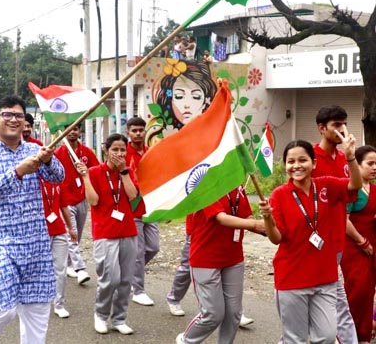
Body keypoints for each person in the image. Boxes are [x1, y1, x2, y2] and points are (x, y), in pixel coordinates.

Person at [0, 95, 64, 343]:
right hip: (1, 242)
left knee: (38, 312)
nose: (13, 119)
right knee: (2, 308)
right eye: (6, 114)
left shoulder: (34, 150)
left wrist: (49, 160)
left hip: (36, 244)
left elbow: (58, 177)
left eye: (18, 115)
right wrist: (18, 172)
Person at [259, 136, 361, 344]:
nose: (296, 166)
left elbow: (355, 184)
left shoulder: (326, 186)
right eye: (291, 161)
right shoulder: (279, 195)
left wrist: (350, 158)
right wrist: (268, 218)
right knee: (294, 338)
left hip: (325, 277)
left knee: (326, 335)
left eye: (302, 160)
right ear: (285, 165)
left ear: (314, 163)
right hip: (291, 278)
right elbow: (276, 239)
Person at [175, 186, 265, 344]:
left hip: (233, 258)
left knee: (234, 314)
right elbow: (221, 218)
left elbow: (246, 215)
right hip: (205, 259)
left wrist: (268, 225)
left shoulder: (237, 186)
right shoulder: (205, 182)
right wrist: (255, 225)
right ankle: (186, 340)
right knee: (212, 314)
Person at [78, 133, 139, 335]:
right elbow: (93, 201)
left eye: (123, 150)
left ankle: (119, 318)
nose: (119, 154)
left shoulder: (127, 172)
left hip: (128, 231)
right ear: (106, 150)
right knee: (110, 278)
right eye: (115, 149)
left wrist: (124, 172)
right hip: (105, 233)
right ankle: (101, 315)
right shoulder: (95, 172)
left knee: (125, 280)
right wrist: (85, 177)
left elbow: (133, 196)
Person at [312, 105, 359, 344]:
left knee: (336, 298)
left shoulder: (343, 158)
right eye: (336, 125)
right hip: (313, 243)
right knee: (314, 297)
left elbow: (354, 189)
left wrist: (351, 156)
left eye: (344, 123)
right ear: (322, 128)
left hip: (337, 239)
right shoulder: (307, 157)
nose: (342, 129)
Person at [54, 124, 99, 285]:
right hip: (65, 201)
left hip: (82, 199)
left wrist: (86, 172)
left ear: (79, 131)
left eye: (76, 129)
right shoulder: (57, 154)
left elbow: (96, 170)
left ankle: (67, 264)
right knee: (70, 234)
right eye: (68, 129)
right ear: (63, 132)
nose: (72, 132)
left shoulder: (86, 152)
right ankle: (80, 269)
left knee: (76, 236)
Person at [341, 145, 376, 343]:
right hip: (354, 247)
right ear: (357, 165)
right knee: (357, 291)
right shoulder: (351, 190)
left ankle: (365, 331)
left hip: (372, 245)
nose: (374, 167)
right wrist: (362, 242)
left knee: (368, 291)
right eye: (370, 163)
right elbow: (344, 221)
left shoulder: (374, 189)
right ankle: (348, 335)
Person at [125, 116, 160, 306]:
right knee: (137, 252)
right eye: (134, 131)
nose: (138, 133)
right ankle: (138, 290)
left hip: (150, 208)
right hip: (132, 210)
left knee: (153, 247)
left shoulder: (150, 153)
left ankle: (130, 274)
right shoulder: (123, 152)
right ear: (128, 133)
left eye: (141, 130)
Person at [146, 58, 217, 146]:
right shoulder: (157, 137)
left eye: (196, 97)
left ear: (205, 101)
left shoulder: (213, 136)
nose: (187, 105)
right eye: (179, 96)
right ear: (170, 100)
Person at [40, 176, 77, 319]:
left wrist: (70, 228)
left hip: (59, 230)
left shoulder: (57, 181)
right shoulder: (33, 179)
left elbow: (63, 206)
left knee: (60, 269)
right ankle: (37, 301)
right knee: (40, 269)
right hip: (40, 231)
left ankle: (59, 303)